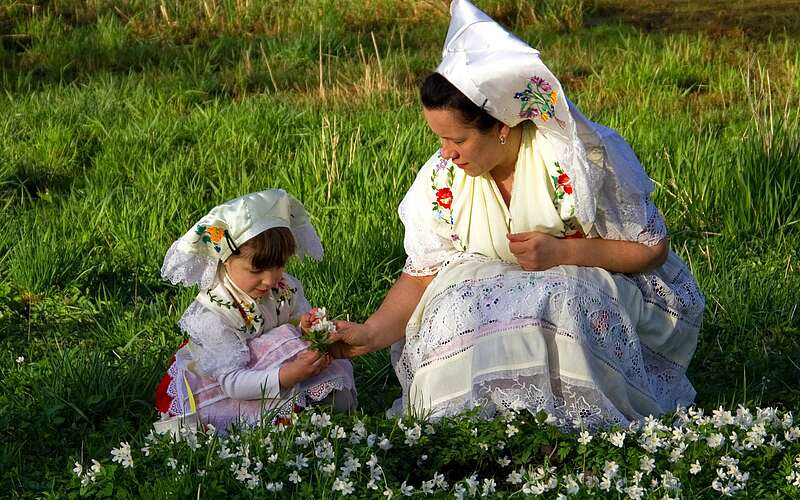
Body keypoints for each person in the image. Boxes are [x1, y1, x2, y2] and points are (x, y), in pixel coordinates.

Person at [329, 0, 704, 429]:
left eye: (458, 140)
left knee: (561, 297)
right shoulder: (444, 179)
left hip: (590, 272)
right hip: (492, 281)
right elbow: (422, 274)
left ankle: (567, 428)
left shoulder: (575, 160)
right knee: (453, 301)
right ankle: (467, 429)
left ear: (503, 126)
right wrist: (371, 333)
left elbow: (651, 250)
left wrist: (565, 253)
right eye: (440, 139)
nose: (447, 154)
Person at [154, 189, 356, 434]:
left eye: (279, 265)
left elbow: (292, 322)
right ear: (226, 260)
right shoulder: (213, 315)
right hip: (235, 386)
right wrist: (286, 376)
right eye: (257, 270)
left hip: (282, 370)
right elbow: (232, 382)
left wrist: (304, 327)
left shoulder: (285, 288)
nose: (270, 280)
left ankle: (309, 415)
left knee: (340, 394)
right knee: (231, 425)